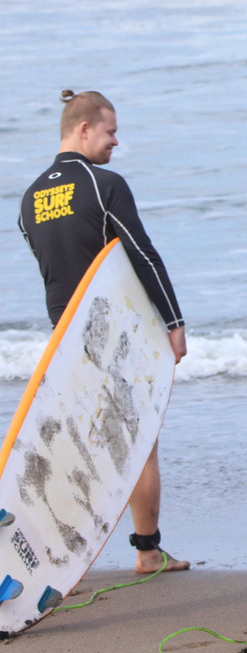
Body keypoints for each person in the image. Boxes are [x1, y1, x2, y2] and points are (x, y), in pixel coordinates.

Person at [18, 90, 190, 575]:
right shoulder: (103, 185)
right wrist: (174, 322)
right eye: (110, 130)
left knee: (79, 447)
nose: (116, 141)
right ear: (84, 128)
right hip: (113, 335)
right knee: (140, 442)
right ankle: (147, 551)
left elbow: (53, 269)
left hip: (64, 340)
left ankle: (53, 559)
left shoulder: (30, 199)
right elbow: (142, 253)